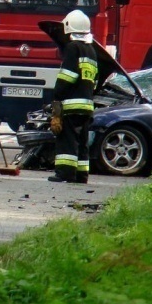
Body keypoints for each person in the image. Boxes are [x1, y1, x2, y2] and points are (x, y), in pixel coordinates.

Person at [48, 10, 98, 184]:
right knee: (82, 141)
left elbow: (67, 76)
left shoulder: (72, 48)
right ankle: (81, 174)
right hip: (87, 105)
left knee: (67, 139)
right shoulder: (91, 50)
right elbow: (95, 78)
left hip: (71, 104)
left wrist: (56, 95)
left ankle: (65, 173)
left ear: (69, 28)